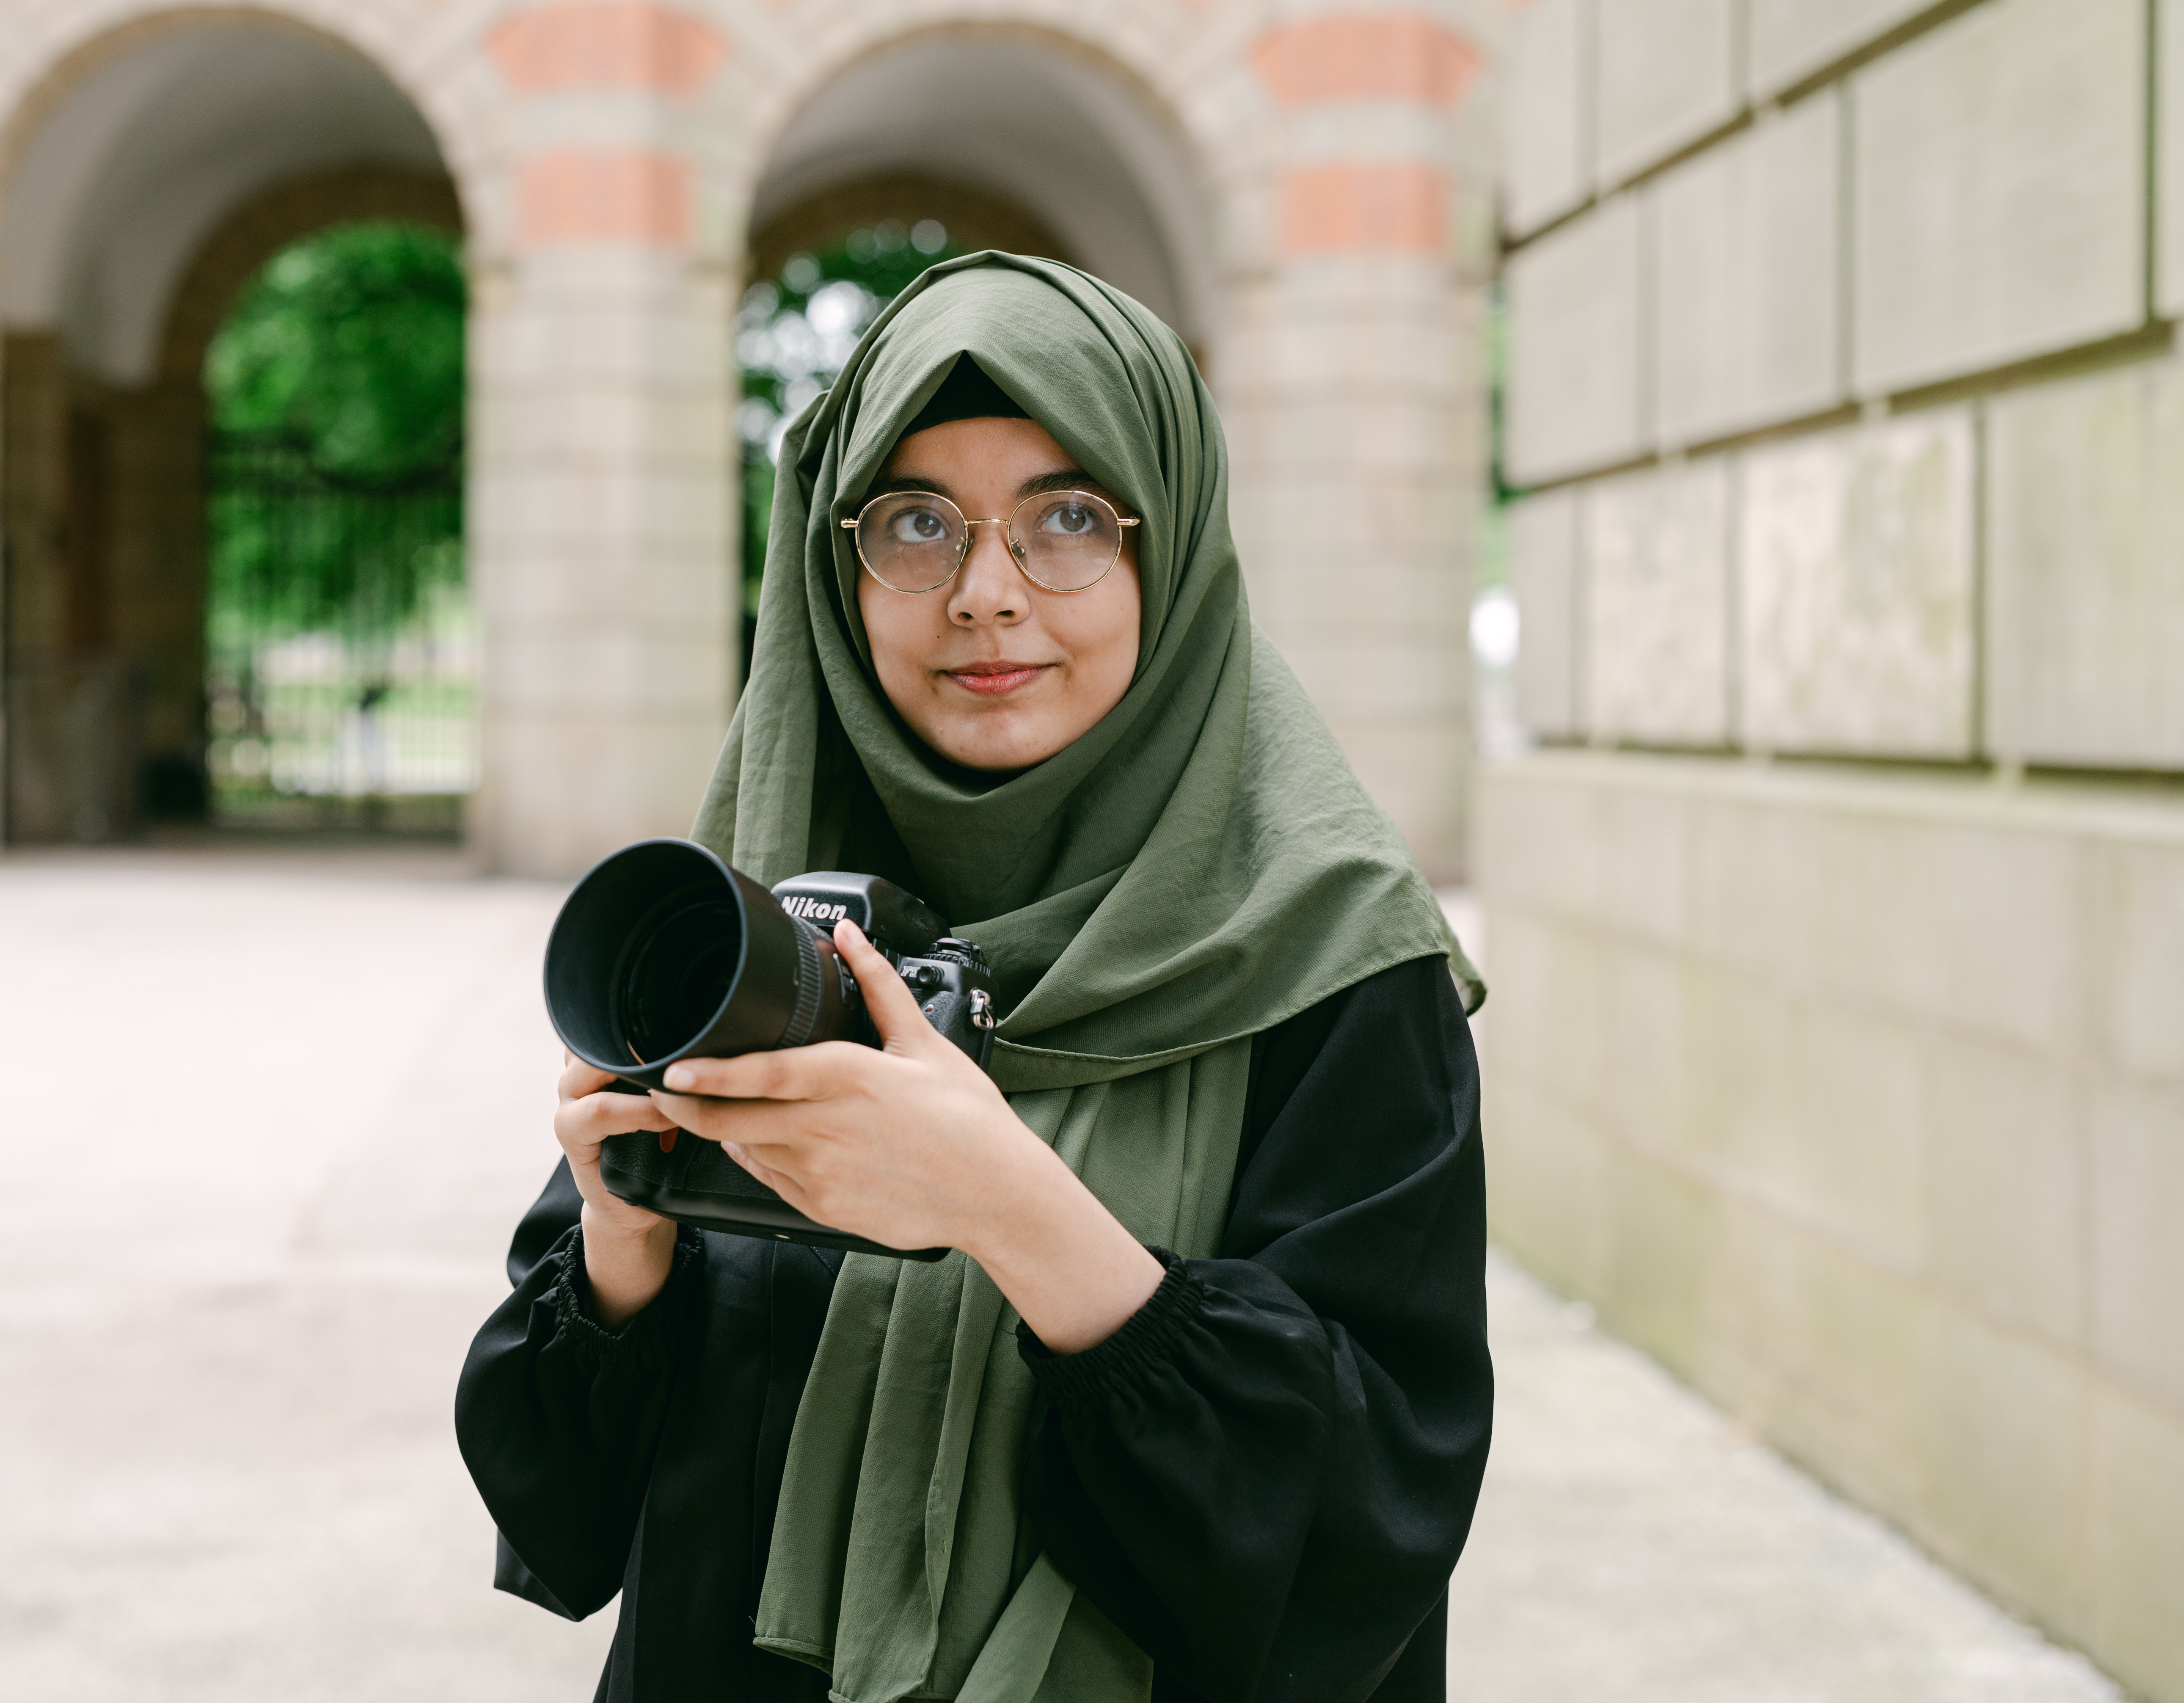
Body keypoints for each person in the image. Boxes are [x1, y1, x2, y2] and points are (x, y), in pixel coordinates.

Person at [458, 254, 1491, 1703]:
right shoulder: (755, 910)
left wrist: (1003, 1206)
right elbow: (559, 1516)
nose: (987, 596)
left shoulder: (1327, 953)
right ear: (837, 565)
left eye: (1070, 517)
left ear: (1170, 545)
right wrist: (622, 1256)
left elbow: (1365, 1537)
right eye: (918, 524)